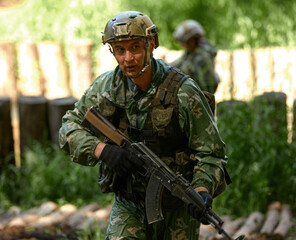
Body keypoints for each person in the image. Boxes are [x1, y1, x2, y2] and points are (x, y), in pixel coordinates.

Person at [59, 11, 229, 239]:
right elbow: (68, 129)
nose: (128, 58)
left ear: (152, 45)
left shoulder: (183, 92)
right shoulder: (106, 88)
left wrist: (201, 189)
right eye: (120, 50)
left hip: (178, 206)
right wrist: (103, 150)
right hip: (129, 203)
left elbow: (211, 152)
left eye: (135, 48)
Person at [171, 19, 220, 94]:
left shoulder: (202, 58)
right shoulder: (191, 54)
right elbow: (176, 65)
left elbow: (208, 87)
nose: (183, 45)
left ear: (194, 40)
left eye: (186, 42)